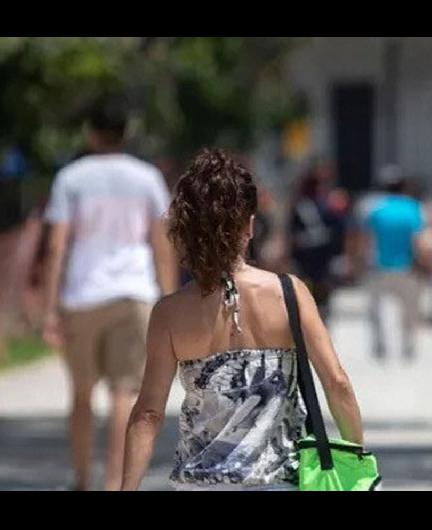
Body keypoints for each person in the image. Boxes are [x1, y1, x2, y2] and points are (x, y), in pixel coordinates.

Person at [120, 149, 364, 491]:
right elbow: (336, 383)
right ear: (249, 226)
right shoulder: (289, 293)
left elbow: (148, 414)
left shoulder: (170, 313)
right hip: (278, 482)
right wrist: (356, 462)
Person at [41, 97, 177, 491]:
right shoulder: (147, 177)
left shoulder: (71, 178)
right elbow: (160, 242)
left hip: (83, 294)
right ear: (126, 133)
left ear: (90, 131)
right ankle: (115, 483)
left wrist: (51, 308)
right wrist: (167, 299)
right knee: (125, 391)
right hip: (133, 292)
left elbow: (56, 246)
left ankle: (83, 479)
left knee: (81, 393)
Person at [362, 170, 426, 361]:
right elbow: (418, 240)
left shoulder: (375, 209)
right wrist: (422, 263)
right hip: (407, 266)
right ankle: (408, 346)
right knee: (410, 310)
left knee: (377, 310)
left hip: (379, 265)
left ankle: (380, 347)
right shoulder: (413, 208)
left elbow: (368, 239)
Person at [287, 167, 338, 320]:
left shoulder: (299, 205)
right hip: (320, 254)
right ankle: (319, 316)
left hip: (307, 255)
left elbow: (292, 233)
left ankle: (309, 316)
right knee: (319, 286)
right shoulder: (326, 205)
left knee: (306, 287)